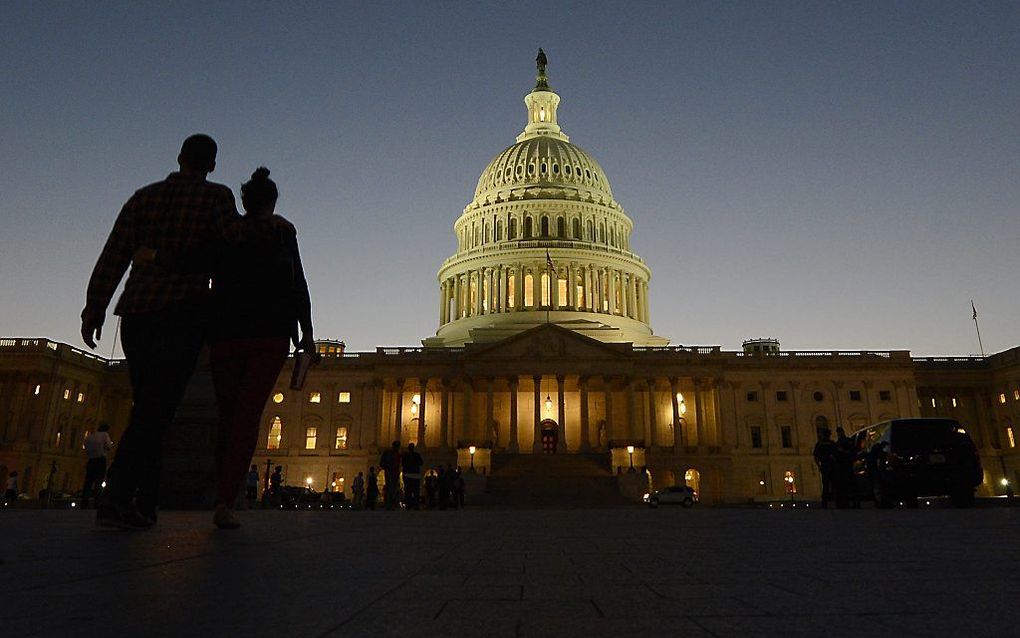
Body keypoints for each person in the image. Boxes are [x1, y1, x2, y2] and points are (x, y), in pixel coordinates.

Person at [81, 134, 242, 529]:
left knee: (150, 407)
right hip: (183, 312)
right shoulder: (216, 198)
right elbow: (229, 252)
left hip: (137, 312)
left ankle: (144, 502)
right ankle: (116, 498)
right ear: (212, 165)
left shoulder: (144, 197)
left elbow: (114, 252)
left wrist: (95, 306)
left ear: (179, 158)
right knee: (157, 409)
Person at [81, 424, 114, 508]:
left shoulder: (91, 436)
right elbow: (108, 446)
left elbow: (85, 445)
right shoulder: (105, 435)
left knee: (88, 482)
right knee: (98, 482)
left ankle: (84, 501)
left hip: (91, 460)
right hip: (100, 460)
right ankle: (97, 502)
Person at [834, 427, 859, 509]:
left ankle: (853, 502)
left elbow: (853, 451)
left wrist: (844, 452)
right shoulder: (839, 442)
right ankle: (847, 503)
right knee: (846, 485)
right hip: (843, 465)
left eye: (839, 432)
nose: (839, 434)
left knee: (849, 484)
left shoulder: (845, 442)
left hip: (846, 464)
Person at [813, 428, 837, 508]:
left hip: (825, 466)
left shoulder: (820, 444)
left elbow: (816, 457)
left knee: (826, 485)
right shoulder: (831, 443)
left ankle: (825, 503)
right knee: (833, 484)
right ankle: (835, 502)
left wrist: (819, 466)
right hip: (831, 466)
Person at [379, 441, 401, 510]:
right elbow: (382, 463)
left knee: (391, 488)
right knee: (390, 488)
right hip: (391, 472)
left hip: (392, 472)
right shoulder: (390, 453)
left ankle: (389, 504)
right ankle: (389, 504)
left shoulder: (394, 453)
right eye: (398, 446)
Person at [401, 443, 423, 510]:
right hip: (415, 475)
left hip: (408, 475)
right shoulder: (417, 455)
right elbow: (421, 463)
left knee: (408, 491)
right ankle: (416, 505)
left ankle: (409, 505)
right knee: (416, 491)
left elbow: (403, 464)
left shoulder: (405, 455)